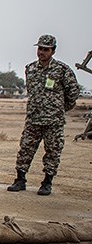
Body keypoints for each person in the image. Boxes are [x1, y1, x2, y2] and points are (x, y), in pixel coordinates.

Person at [8, 34, 80, 196]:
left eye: (45, 49)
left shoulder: (62, 70)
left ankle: (47, 182)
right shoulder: (30, 69)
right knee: (25, 148)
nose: (41, 52)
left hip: (53, 121)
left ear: (53, 51)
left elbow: (73, 93)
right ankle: (20, 180)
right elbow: (31, 91)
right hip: (33, 119)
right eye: (39, 49)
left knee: (53, 151)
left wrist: (60, 108)